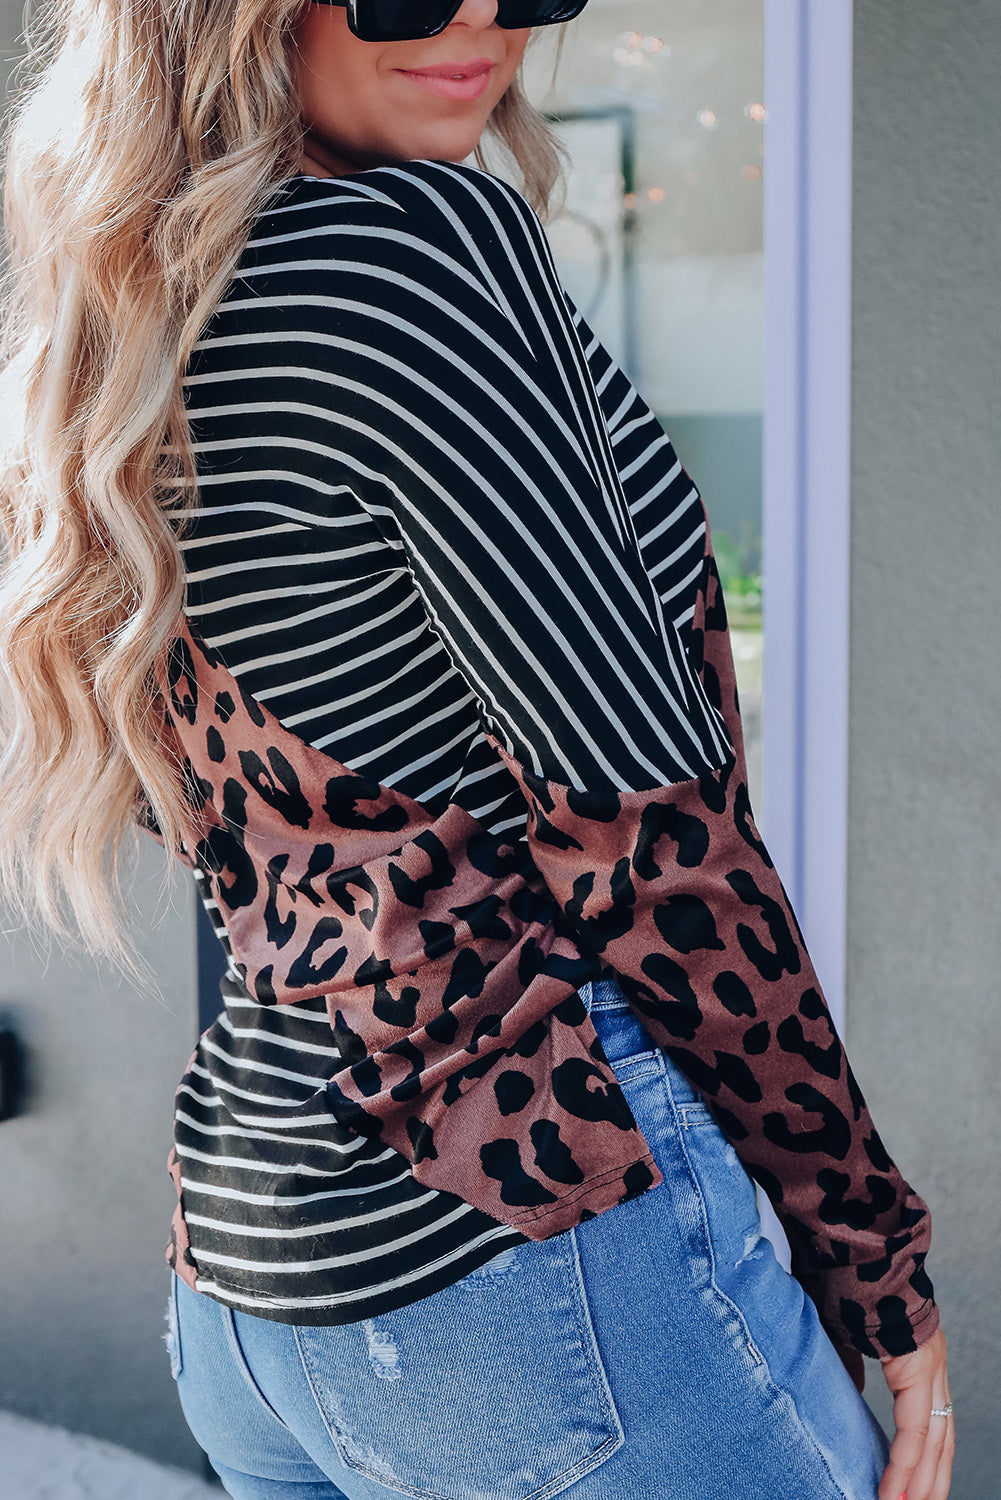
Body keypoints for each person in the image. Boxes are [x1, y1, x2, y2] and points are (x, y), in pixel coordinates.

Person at [0, 0, 954, 1497]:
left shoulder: (139, 308)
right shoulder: (419, 250)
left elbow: (248, 825)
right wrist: (871, 1256)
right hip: (529, 1257)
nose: (474, 19)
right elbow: (647, 836)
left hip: (253, 1291)